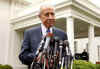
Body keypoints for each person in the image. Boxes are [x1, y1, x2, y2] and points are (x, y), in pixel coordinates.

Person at [19, 4, 68, 69]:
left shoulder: (62, 34)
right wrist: (37, 57)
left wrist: (59, 58)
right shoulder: (29, 33)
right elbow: (22, 55)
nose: (50, 17)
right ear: (40, 17)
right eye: (47, 14)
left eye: (52, 14)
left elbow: (66, 56)